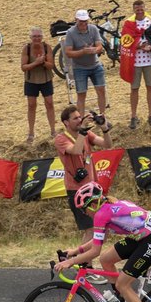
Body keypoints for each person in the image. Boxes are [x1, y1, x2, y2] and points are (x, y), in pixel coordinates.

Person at [56, 182, 151, 302]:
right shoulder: (107, 207)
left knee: (123, 283)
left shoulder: (102, 213)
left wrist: (70, 262)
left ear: (93, 205)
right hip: (141, 236)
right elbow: (101, 239)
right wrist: (76, 250)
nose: (84, 213)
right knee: (106, 260)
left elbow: (95, 251)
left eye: (83, 209)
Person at [54, 105, 111, 263]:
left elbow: (107, 145)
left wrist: (104, 127)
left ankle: (70, 257)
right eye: (75, 118)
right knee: (91, 230)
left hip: (91, 189)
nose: (79, 120)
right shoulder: (61, 139)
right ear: (66, 122)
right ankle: (85, 266)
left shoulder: (85, 133)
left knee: (97, 229)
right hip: (77, 191)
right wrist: (83, 130)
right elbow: (77, 150)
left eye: (80, 117)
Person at [64, 10, 111, 125]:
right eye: (81, 21)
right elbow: (68, 52)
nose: (84, 24)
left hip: (95, 64)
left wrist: (94, 50)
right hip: (79, 67)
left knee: (101, 90)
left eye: (85, 21)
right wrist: (83, 52)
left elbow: (99, 46)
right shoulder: (70, 33)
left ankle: (102, 117)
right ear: (76, 20)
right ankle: (82, 121)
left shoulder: (93, 29)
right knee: (81, 94)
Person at [125, 0, 151, 129]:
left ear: (144, 8)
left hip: (150, 61)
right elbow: (125, 41)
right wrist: (140, 46)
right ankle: (133, 116)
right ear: (134, 9)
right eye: (137, 9)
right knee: (134, 89)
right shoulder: (129, 23)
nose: (139, 11)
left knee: (150, 87)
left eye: (141, 9)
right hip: (135, 62)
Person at [20, 27, 56, 142]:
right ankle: (31, 133)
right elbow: (23, 67)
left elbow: (51, 66)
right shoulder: (26, 48)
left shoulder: (47, 47)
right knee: (31, 105)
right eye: (34, 36)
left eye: (39, 36)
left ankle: (53, 130)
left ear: (42, 37)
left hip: (46, 79)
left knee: (49, 103)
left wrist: (43, 62)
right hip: (31, 80)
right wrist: (36, 63)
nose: (37, 38)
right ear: (31, 37)